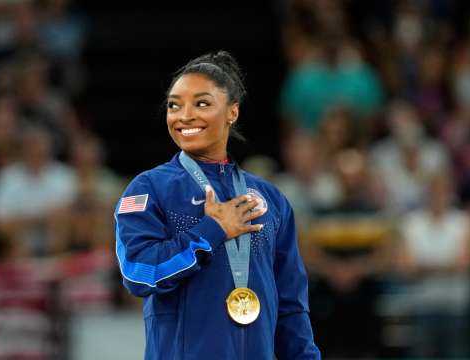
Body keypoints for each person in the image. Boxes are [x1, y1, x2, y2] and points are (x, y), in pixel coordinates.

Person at [114, 51, 321, 359]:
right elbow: (138, 272)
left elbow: (291, 305)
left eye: (201, 103)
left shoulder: (271, 199)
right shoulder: (149, 189)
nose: (184, 115)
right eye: (174, 105)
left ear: (232, 112)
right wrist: (211, 230)